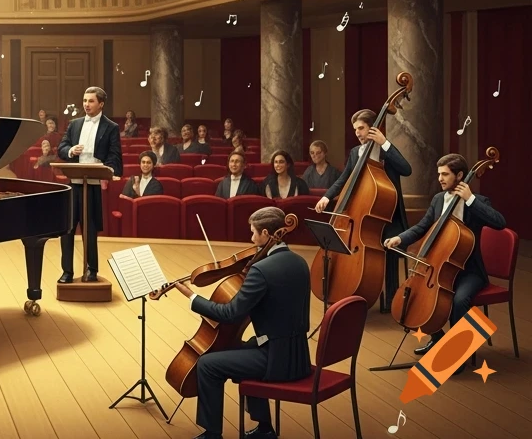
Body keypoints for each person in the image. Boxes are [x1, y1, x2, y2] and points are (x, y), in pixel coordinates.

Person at [154, 206, 309, 439]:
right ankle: (264, 429)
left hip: (276, 360)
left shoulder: (261, 270)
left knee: (208, 364)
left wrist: (192, 296)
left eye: (254, 233)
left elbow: (230, 313)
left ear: (267, 234)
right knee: (240, 349)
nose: (251, 238)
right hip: (298, 356)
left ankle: (212, 433)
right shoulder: (300, 262)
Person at [386, 153, 506, 355]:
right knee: (417, 297)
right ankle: (438, 337)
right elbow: (423, 226)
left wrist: (470, 199)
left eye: (445, 174)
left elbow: (500, 222)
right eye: (439, 174)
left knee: (460, 301)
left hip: (469, 272)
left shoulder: (478, 201)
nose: (440, 178)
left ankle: (457, 355)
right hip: (439, 268)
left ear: (459, 175)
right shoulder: (439, 199)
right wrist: (400, 238)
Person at [315, 108, 412, 312]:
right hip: (361, 216)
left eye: (361, 128)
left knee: (388, 247)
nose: (358, 133)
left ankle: (391, 302)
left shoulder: (385, 150)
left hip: (388, 217)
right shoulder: (355, 153)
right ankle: (352, 292)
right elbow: (344, 179)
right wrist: (326, 196)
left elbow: (406, 169)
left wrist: (384, 141)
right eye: (355, 129)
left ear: (373, 128)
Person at [57, 86, 122, 284]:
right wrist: (70, 151)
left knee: (90, 230)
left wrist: (106, 170)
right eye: (84, 100)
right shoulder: (74, 124)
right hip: (73, 184)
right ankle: (67, 272)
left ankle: (91, 270)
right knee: (67, 230)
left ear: (101, 104)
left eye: (91, 101)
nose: (86, 104)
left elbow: (115, 157)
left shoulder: (111, 127)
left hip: (92, 185)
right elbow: (61, 148)